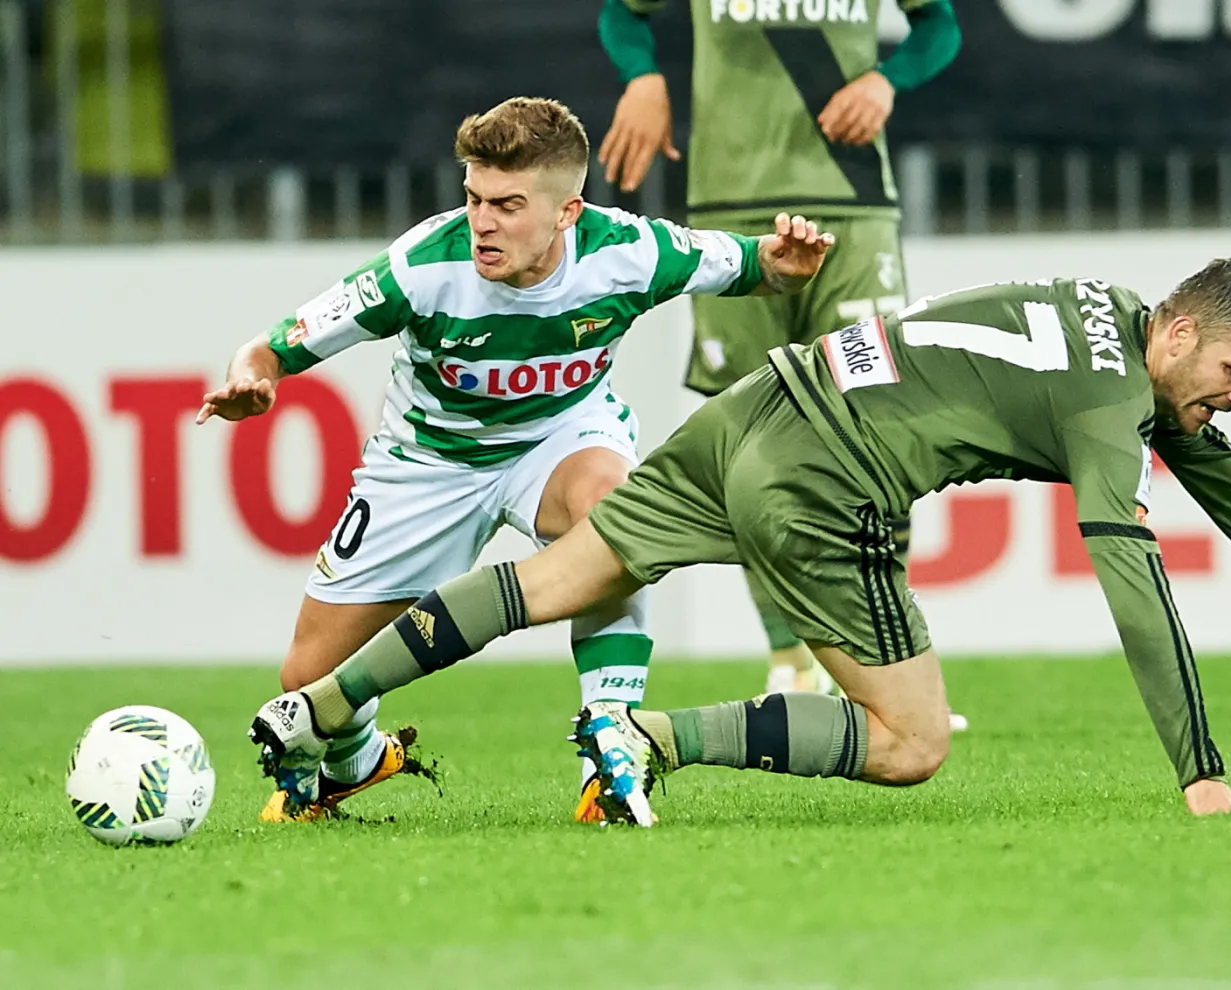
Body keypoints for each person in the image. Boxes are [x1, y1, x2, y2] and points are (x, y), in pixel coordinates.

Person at [248, 259, 1231, 826]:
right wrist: (1200, 774)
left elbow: (1198, 448)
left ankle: (324, 706)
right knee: (908, 743)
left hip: (756, 408)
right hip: (825, 485)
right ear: (1179, 334)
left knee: (555, 577)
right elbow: (1129, 578)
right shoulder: (1106, 404)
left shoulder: (1110, 312)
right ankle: (649, 739)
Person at [196, 96, 835, 823]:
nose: (482, 221)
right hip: (428, 464)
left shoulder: (631, 252)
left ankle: (612, 740)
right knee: (308, 681)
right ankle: (359, 763)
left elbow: (758, 264)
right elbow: (276, 344)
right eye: (473, 198)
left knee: (611, 511)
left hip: (560, 441)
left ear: (568, 212)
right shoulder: (423, 268)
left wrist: (793, 265)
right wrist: (255, 380)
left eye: (506, 204)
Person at [596, 0, 964, 697]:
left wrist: (886, 81)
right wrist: (642, 78)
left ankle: (890, 663)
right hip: (732, 217)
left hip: (853, 213)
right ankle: (791, 661)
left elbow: (940, 25)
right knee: (751, 442)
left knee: (884, 425)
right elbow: (623, 13)